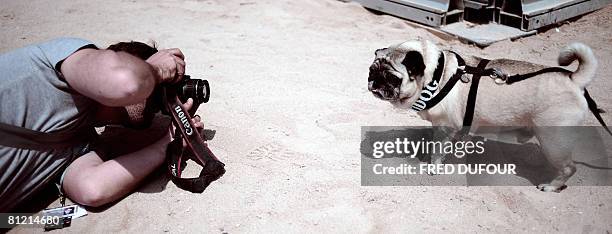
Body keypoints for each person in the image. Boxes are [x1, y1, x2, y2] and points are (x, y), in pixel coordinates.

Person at [0, 37, 203, 211]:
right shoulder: (63, 58)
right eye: (153, 86)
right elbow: (126, 82)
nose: (157, 98)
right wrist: (158, 70)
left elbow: (92, 189)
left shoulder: (83, 142)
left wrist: (169, 143)